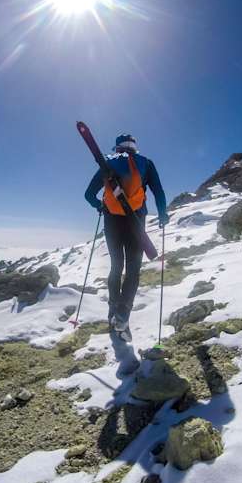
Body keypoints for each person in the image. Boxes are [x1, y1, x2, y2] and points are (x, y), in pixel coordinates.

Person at [84, 133, 168, 342]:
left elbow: (88, 194)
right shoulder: (146, 163)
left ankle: (113, 312)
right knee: (133, 271)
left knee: (116, 267)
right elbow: (158, 192)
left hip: (112, 222)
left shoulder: (108, 163)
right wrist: (163, 214)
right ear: (134, 148)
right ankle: (123, 316)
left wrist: (100, 206)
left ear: (117, 148)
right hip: (136, 221)